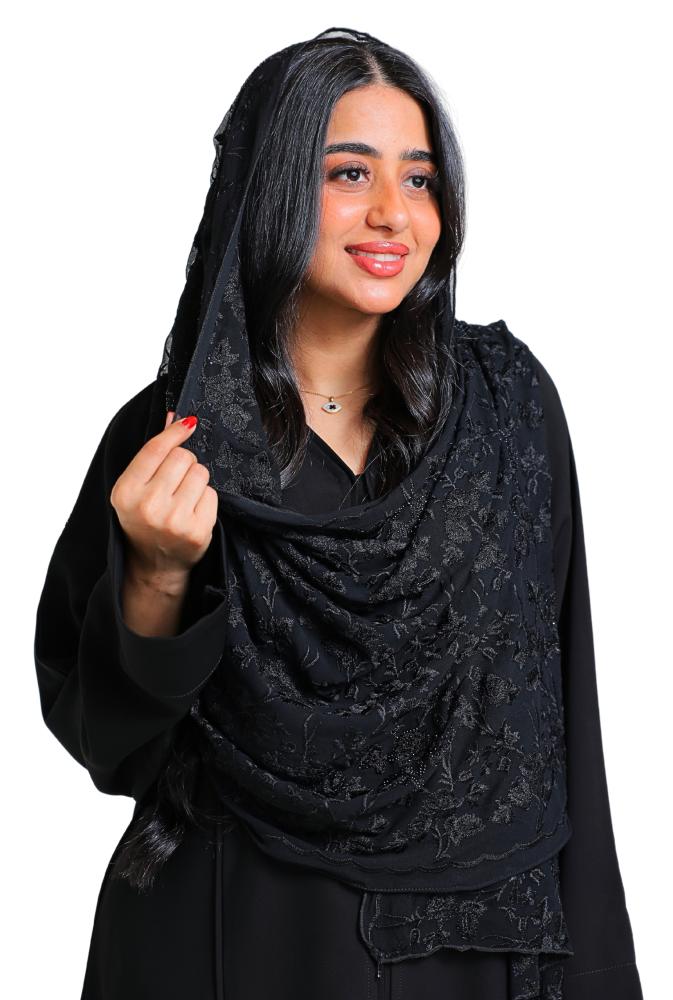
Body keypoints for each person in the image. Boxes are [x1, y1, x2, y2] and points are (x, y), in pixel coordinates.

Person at [33, 26, 643, 1000]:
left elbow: (564, 730)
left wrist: (600, 974)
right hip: (234, 942)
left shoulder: (506, 410)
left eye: (420, 179)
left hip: (469, 954)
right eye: (349, 173)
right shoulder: (173, 438)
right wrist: (155, 574)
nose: (393, 213)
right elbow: (114, 748)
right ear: (272, 188)